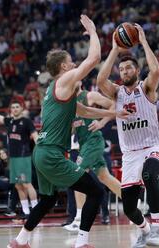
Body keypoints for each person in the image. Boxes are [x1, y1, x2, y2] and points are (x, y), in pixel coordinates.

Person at [6, 15, 129, 248]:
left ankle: (20, 240)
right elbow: (93, 58)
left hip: (42, 153)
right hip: (51, 154)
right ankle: (81, 242)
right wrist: (93, 32)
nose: (74, 65)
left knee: (48, 199)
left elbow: (85, 112)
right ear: (63, 66)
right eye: (72, 62)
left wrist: (114, 114)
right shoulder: (63, 82)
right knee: (96, 192)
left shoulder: (60, 93)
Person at [97, 24, 159, 247]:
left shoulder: (146, 88)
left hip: (152, 147)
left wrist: (143, 41)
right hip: (129, 155)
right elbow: (100, 81)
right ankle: (145, 230)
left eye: (129, 68)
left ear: (137, 71)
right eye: (122, 69)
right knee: (128, 207)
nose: (125, 71)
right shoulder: (116, 93)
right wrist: (115, 50)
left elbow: (156, 71)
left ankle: (156, 228)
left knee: (149, 175)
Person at [63, 87, 121, 231]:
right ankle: (133, 202)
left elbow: (114, 105)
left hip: (93, 141)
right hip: (84, 144)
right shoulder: (70, 103)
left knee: (76, 174)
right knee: (105, 177)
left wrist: (102, 122)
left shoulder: (90, 96)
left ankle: (78, 220)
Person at [0, 101, 39, 218]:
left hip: (23, 157)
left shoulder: (26, 122)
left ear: (21, 109)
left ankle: (36, 211)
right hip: (13, 159)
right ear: (10, 110)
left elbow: (35, 136)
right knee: (18, 185)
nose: (15, 109)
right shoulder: (9, 121)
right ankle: (26, 212)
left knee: (26, 184)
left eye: (17, 107)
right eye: (13, 107)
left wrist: (40, 150)